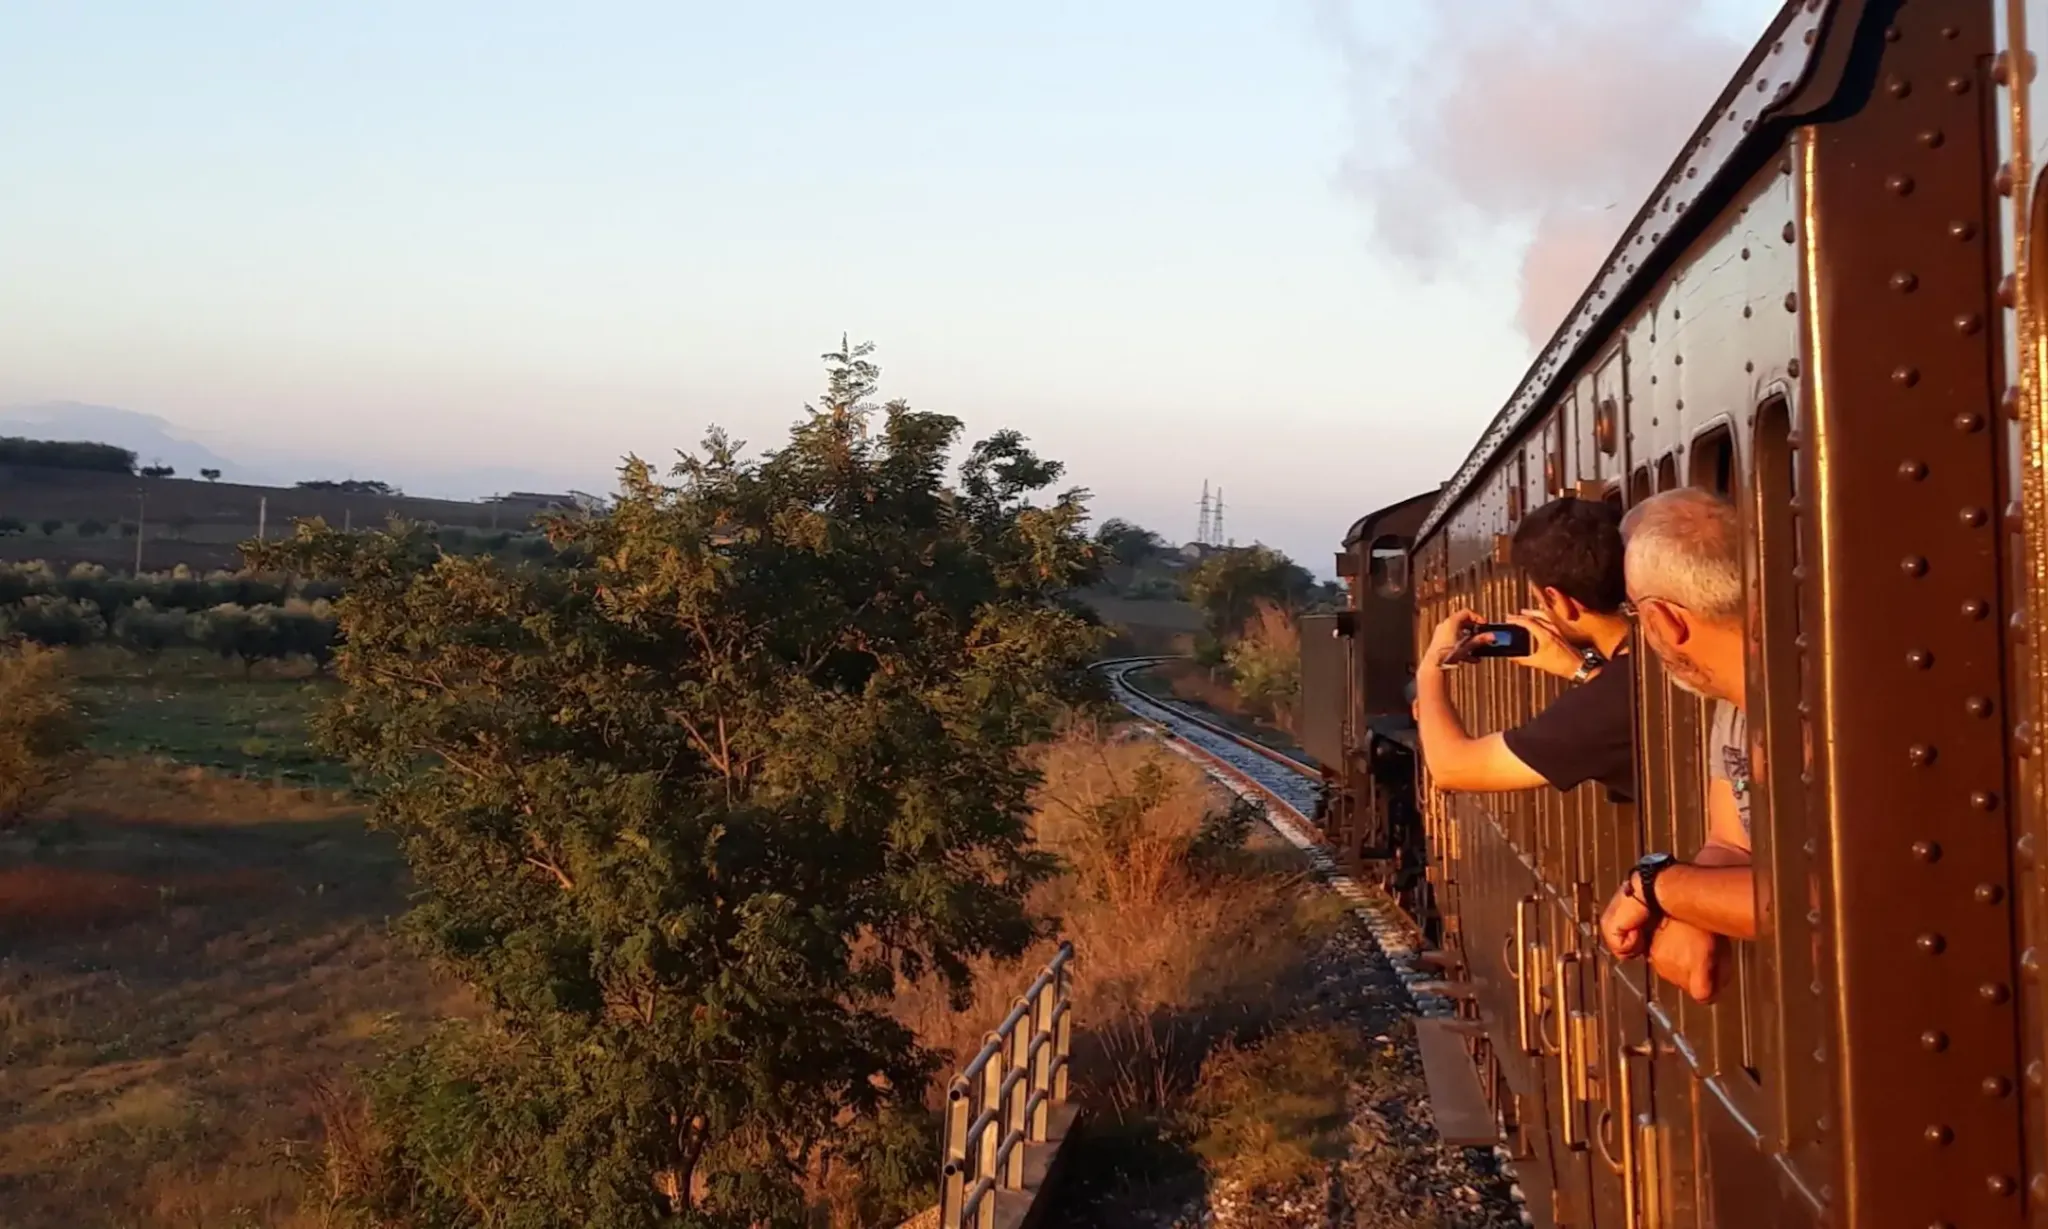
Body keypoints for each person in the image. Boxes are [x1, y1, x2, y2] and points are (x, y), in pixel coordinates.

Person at [1596, 487, 1754, 1002]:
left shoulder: (1810, 704)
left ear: (1665, 619)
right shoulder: (1734, 705)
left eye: (1636, 615)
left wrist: (1656, 886)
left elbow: (1815, 896)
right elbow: (1732, 844)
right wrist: (1691, 907)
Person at [1416, 496, 1637, 802]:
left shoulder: (1604, 706)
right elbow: (1629, 704)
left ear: (1558, 600)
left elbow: (1451, 768)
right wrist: (1581, 669)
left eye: (1539, 601)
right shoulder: (1656, 658)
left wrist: (1431, 667)